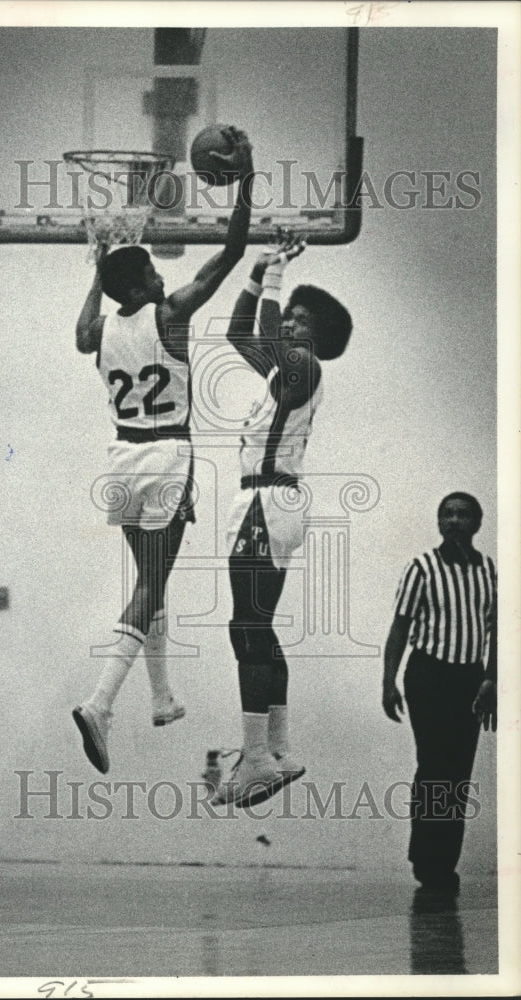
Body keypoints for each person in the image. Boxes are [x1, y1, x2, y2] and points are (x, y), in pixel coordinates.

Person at [72, 126, 255, 774]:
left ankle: (161, 696)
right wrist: (249, 179)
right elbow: (230, 253)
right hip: (166, 458)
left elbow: (80, 331)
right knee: (152, 584)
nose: (161, 271)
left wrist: (97, 268)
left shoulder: (102, 330)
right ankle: (99, 703)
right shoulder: (169, 313)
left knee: (150, 584)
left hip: (120, 461)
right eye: (153, 267)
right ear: (146, 281)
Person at [212, 238, 353, 808]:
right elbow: (238, 335)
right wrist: (255, 273)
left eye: (300, 321)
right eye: (289, 318)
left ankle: (257, 758)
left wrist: (276, 276)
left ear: (317, 336)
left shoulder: (305, 365)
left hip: (270, 502)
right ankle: (276, 748)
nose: (290, 327)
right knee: (253, 628)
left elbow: (267, 335)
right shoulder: (283, 371)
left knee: (247, 627)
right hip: (266, 502)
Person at [382, 492, 497, 893]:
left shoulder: (488, 570)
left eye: (462, 515)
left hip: (471, 680)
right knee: (434, 766)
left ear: (477, 523)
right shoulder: (422, 568)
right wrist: (388, 681)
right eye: (446, 514)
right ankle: (427, 861)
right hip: (428, 676)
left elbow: (497, 630)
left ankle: (444, 864)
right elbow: (400, 627)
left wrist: (491, 680)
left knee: (458, 773)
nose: (453, 521)